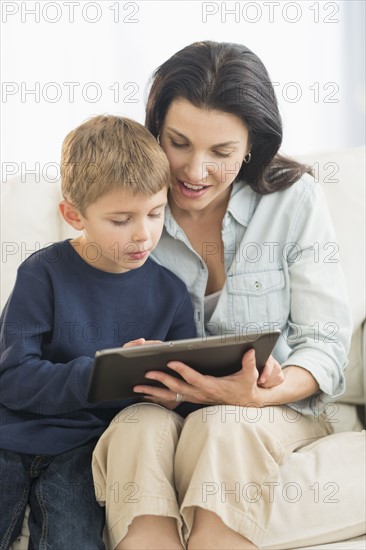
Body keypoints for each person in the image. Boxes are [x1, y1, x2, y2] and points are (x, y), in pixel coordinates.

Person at [91, 42, 356, 550]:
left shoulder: (294, 201)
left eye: (221, 153)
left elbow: (323, 346)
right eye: (179, 143)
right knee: (135, 429)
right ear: (155, 131)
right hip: (161, 410)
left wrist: (258, 393)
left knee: (225, 423)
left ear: (252, 145)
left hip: (273, 411)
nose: (194, 172)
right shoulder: (125, 206)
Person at [0, 115, 197, 549]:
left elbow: (185, 404)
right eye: (121, 220)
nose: (143, 235)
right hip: (9, 439)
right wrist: (105, 372)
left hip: (86, 453)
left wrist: (171, 390)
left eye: (155, 213)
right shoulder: (42, 273)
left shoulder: (171, 293)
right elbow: (11, 378)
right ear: (74, 215)